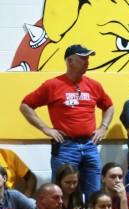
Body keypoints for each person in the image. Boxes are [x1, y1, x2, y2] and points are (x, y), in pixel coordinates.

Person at [19, 45, 113, 197]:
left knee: (95, 193)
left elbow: (109, 106)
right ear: (70, 61)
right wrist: (45, 128)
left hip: (90, 145)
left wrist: (103, 127)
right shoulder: (52, 85)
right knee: (61, 195)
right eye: (83, 59)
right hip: (65, 147)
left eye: (88, 58)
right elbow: (25, 106)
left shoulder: (93, 85)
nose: (87, 62)